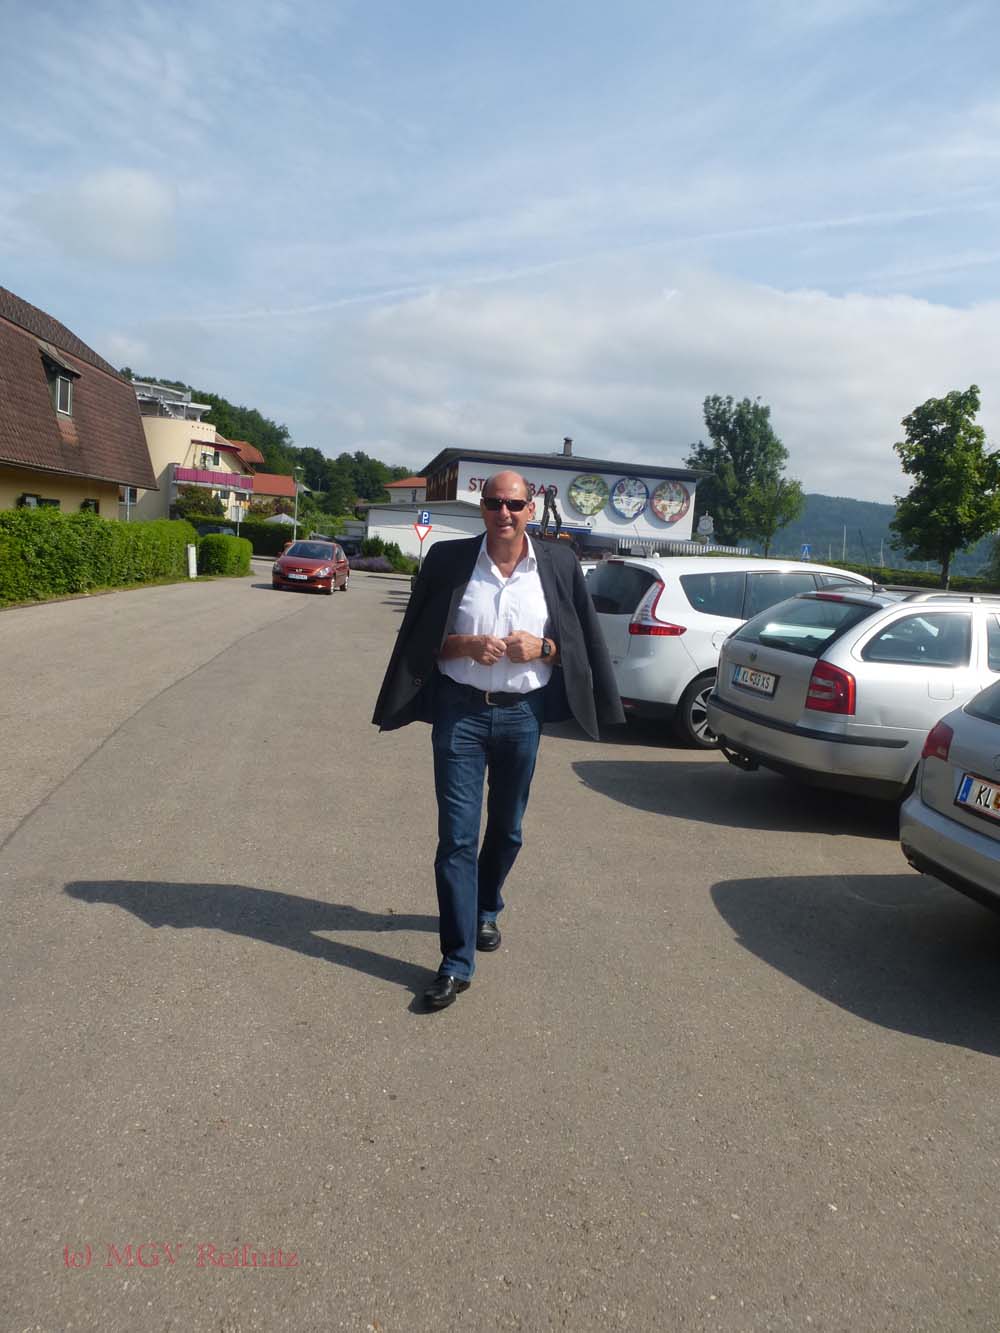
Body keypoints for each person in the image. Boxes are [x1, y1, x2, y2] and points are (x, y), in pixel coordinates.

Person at [372, 471, 623, 1010]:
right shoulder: (448, 560)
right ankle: (455, 961)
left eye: (513, 504)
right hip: (460, 714)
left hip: (522, 716)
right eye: (492, 503)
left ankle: (486, 908)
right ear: (481, 508)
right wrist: (462, 644)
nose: (502, 513)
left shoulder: (558, 563)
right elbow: (419, 638)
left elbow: (578, 641)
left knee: (507, 830)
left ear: (530, 508)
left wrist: (543, 649)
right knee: (457, 839)